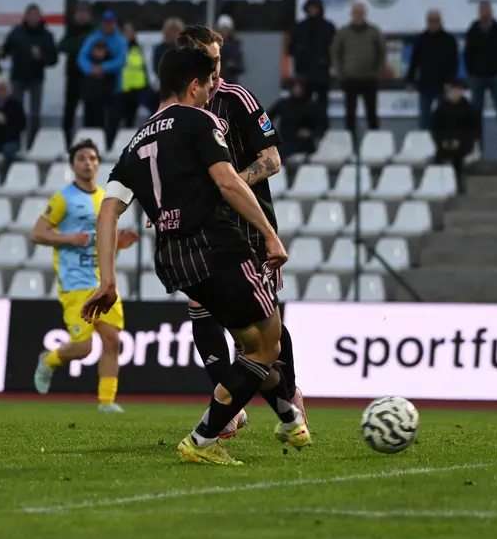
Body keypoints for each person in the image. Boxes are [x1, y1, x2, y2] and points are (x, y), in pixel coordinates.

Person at [83, 47, 309, 465]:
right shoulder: (199, 119)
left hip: (173, 260)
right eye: (207, 85)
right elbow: (226, 182)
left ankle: (281, 416)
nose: (211, 92)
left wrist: (108, 281)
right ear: (193, 86)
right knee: (268, 344)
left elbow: (109, 210)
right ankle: (205, 438)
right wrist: (269, 235)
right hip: (217, 246)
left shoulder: (138, 138)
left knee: (250, 346)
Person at [176, 24, 307, 437]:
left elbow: (272, 159)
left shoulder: (237, 100)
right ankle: (228, 406)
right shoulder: (179, 108)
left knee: (261, 321)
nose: (214, 66)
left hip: (247, 226)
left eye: (216, 57)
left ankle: (289, 395)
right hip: (202, 229)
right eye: (205, 58)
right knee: (200, 306)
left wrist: (229, 186)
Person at [32, 139, 137, 412]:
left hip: (103, 279)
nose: (87, 162)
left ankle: (106, 402)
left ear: (98, 163)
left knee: (113, 339)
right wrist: (68, 238)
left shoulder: (105, 198)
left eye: (92, 157)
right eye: (81, 158)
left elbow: (103, 241)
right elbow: (38, 232)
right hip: (75, 282)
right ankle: (49, 361)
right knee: (83, 347)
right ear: (72, 164)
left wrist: (118, 245)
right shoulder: (63, 198)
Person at [2, 3, 59, 142]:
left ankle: (33, 142)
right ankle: (14, 140)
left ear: (40, 17)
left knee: (35, 114)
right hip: (18, 77)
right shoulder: (16, 32)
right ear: (26, 16)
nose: (34, 19)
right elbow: (5, 50)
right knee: (16, 111)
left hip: (36, 78)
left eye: (36, 16)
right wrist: (1, 52)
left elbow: (53, 59)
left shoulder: (46, 35)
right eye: (31, 15)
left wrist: (42, 57)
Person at [464, 0, 497, 160]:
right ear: (479, 11)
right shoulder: (473, 30)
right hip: (477, 78)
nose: (485, 12)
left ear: (491, 11)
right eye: (482, 9)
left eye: (487, 9)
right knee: (475, 114)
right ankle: (477, 146)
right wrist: (471, 72)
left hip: (495, 77)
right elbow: (467, 53)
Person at [332, 2, 385, 133]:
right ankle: (350, 142)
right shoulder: (343, 33)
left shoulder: (374, 32)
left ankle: (375, 142)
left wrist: (378, 72)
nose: (358, 16)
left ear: (365, 14)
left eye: (361, 13)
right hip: (350, 78)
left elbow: (382, 52)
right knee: (350, 114)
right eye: (356, 13)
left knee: (371, 114)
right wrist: (340, 73)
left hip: (369, 78)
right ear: (352, 15)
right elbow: (335, 53)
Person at [77, 10, 127, 146]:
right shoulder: (93, 38)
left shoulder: (120, 40)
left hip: (113, 87)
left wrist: (103, 68)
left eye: (110, 23)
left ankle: (110, 145)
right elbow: (81, 57)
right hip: (93, 88)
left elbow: (121, 60)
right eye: (105, 23)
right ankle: (90, 144)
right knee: (92, 117)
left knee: (113, 118)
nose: (108, 26)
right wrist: (90, 69)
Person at [289, 0, 336, 133]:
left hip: (322, 74)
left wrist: (328, 62)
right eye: (310, 8)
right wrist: (299, 55)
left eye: (315, 8)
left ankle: (323, 132)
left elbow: (334, 49)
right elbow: (291, 49)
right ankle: (303, 133)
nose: (313, 10)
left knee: (322, 106)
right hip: (304, 74)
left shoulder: (328, 27)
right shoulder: (300, 27)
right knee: (302, 106)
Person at [406, 10, 459, 130]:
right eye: (431, 21)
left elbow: (454, 63)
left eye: (436, 21)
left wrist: (451, 82)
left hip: (444, 85)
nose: (433, 23)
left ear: (441, 22)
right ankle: (423, 141)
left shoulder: (449, 40)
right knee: (424, 116)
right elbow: (414, 62)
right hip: (425, 83)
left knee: (444, 116)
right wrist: (410, 80)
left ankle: (444, 140)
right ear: (427, 22)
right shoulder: (420, 39)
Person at [431, 79, 479, 188]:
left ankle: (458, 184)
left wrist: (460, 140)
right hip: (444, 142)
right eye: (453, 91)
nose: (455, 94)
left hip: (463, 143)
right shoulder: (441, 108)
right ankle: (437, 184)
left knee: (458, 156)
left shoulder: (469, 109)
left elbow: (473, 130)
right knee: (440, 156)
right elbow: (435, 128)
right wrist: (444, 140)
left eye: (458, 91)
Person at [59, 1, 95, 145]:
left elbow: (95, 47)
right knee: (69, 110)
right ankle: (66, 140)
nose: (81, 16)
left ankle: (89, 140)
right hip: (73, 75)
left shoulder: (93, 30)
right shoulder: (71, 29)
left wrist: (80, 47)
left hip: (88, 76)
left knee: (90, 109)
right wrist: (81, 45)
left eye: (84, 13)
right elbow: (62, 46)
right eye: (79, 13)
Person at [268, 80, 321, 160]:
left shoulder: (311, 106)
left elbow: (320, 125)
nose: (297, 90)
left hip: (303, 143)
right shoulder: (283, 104)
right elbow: (266, 118)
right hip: (285, 141)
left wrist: (311, 133)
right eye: (295, 87)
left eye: (300, 87)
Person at [120, 23, 149, 127]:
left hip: (137, 88)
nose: (128, 34)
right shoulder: (119, 47)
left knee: (131, 119)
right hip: (122, 88)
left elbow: (144, 67)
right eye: (126, 32)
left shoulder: (138, 48)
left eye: (130, 31)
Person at [215, 15, 244, 84]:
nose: (225, 31)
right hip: (218, 82)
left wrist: (233, 66)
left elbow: (241, 65)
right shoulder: (214, 44)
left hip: (231, 82)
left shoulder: (235, 45)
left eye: (227, 28)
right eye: (223, 28)